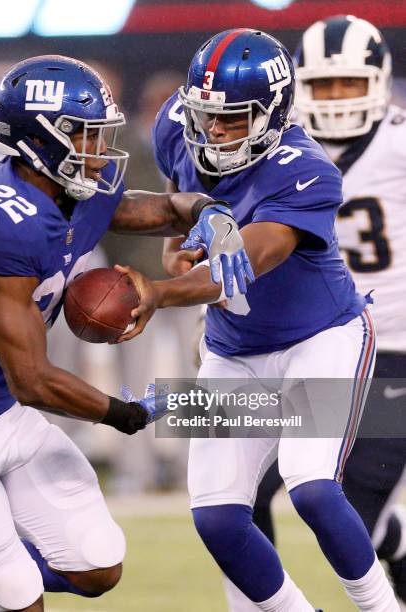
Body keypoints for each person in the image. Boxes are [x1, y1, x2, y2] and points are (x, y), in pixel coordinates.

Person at [0, 56, 245, 612]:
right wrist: (124, 414)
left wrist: (207, 211)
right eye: (83, 132)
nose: (98, 147)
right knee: (19, 595)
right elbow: (30, 379)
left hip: (8, 415)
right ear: (37, 138)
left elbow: (138, 209)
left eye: (100, 132)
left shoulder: (70, 184)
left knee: (99, 567)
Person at [137, 28, 400, 611]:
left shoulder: (306, 167)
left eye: (234, 118)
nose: (215, 130)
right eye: (206, 116)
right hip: (232, 348)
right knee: (217, 516)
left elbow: (245, 263)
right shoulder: (175, 125)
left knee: (313, 487)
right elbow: (177, 206)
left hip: (322, 339)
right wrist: (176, 247)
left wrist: (155, 293)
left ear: (275, 112)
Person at [226, 15, 406, 612]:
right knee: (238, 490)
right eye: (323, 86)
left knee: (342, 500)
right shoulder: (272, 147)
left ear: (379, 81)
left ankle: (393, 547)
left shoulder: (401, 142)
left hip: (392, 351)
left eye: (348, 84)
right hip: (299, 340)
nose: (335, 99)